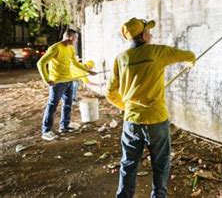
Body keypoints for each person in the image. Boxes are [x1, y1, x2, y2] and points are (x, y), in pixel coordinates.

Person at [106, 17, 196, 198]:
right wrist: (190, 63)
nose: (151, 34)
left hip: (132, 121)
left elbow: (110, 93)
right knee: (161, 164)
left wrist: (127, 106)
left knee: (129, 164)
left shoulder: (121, 59)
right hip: (156, 120)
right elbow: (189, 55)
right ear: (143, 35)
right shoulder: (157, 51)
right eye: (149, 31)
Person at [37, 29, 97, 141]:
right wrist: (46, 79)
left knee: (68, 104)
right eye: (76, 37)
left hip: (69, 80)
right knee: (52, 105)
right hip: (57, 82)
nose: (76, 40)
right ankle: (46, 131)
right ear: (70, 37)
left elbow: (74, 62)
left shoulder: (70, 48)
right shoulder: (55, 48)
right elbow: (41, 63)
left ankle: (64, 126)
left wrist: (87, 71)